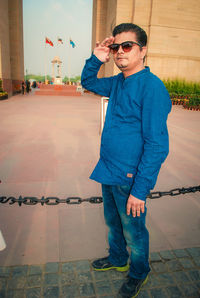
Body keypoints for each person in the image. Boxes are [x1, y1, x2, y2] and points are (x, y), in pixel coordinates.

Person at [81, 23, 172, 298]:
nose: (120, 52)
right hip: (108, 170)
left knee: (134, 231)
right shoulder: (118, 82)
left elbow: (157, 145)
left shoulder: (152, 88)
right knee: (113, 223)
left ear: (142, 51)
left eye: (127, 46)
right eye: (115, 47)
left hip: (131, 178)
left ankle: (138, 272)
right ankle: (118, 258)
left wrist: (140, 190)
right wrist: (97, 57)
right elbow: (88, 82)